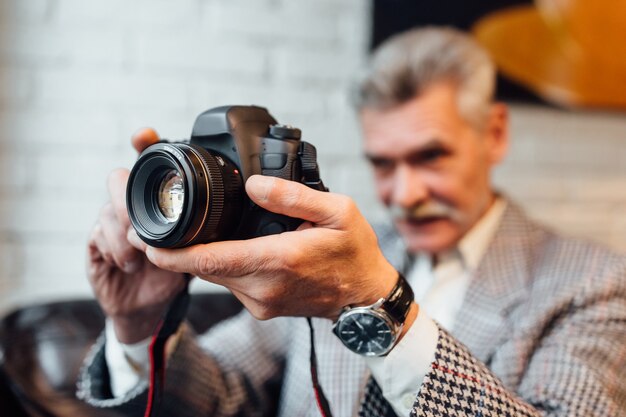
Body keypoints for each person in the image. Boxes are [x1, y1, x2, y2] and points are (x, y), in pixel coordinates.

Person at [77, 27, 626, 416]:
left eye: (431, 157)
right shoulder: (316, 254)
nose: (405, 194)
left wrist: (378, 303)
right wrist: (139, 324)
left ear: (496, 134)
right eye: (383, 164)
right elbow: (220, 392)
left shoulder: (591, 281)